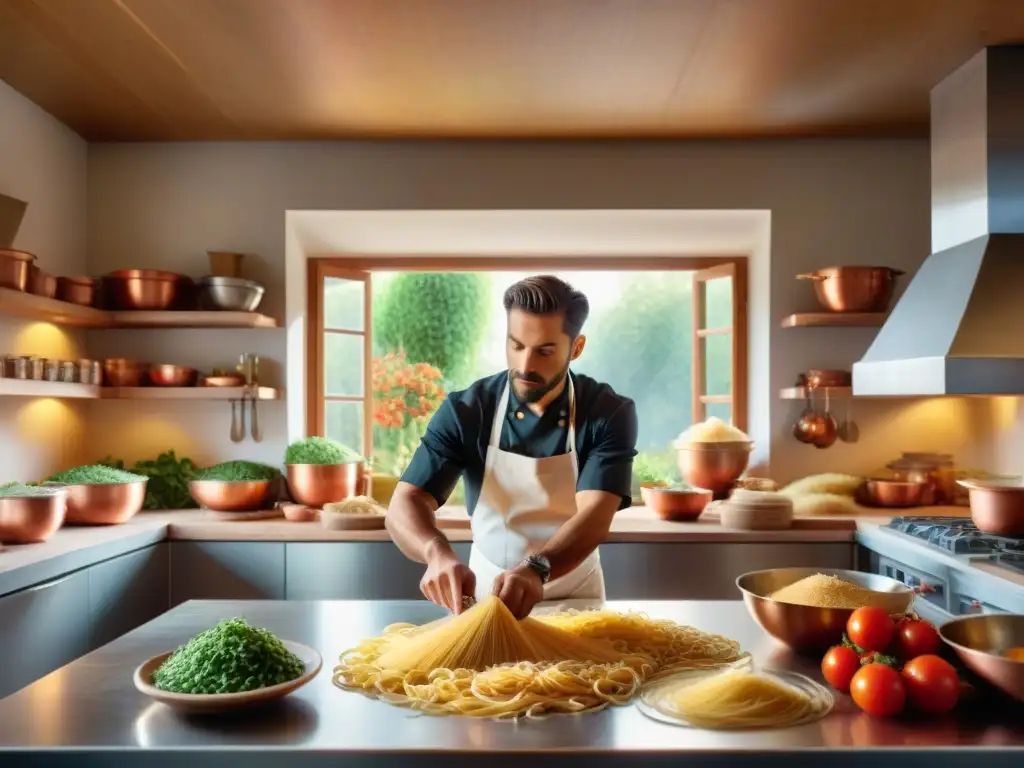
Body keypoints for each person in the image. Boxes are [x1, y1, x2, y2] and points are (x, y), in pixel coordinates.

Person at [385, 275, 638, 620]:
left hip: (575, 599)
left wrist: (537, 568)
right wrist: (435, 552)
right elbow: (405, 502)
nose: (524, 366)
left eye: (544, 351)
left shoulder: (608, 412)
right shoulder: (466, 411)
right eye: (516, 345)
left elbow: (595, 515)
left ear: (575, 348)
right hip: (484, 598)